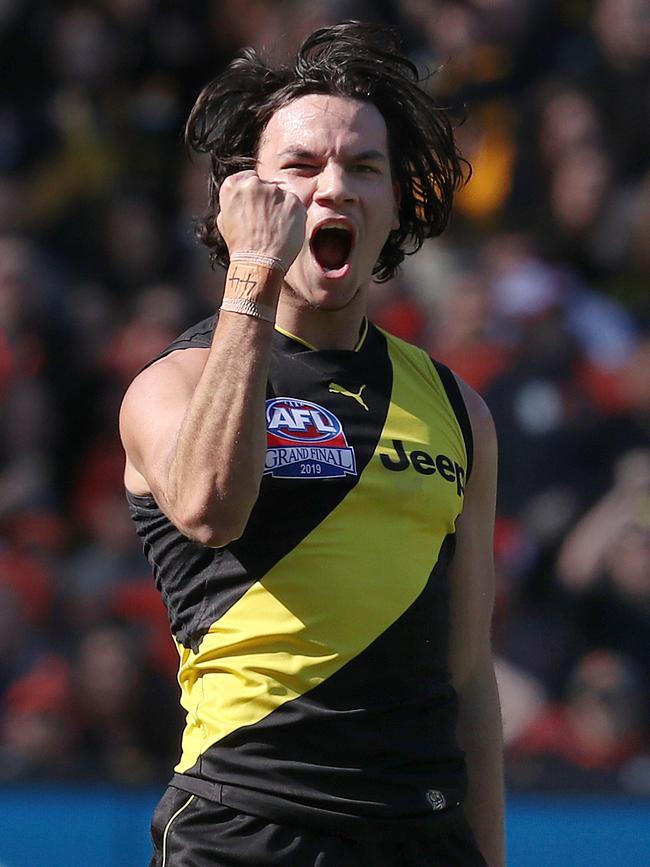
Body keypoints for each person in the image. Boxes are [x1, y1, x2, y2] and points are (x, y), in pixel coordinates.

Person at [119, 21, 504, 867]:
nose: (334, 188)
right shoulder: (173, 383)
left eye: (364, 167)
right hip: (248, 824)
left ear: (397, 201)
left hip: (424, 832)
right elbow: (211, 509)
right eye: (300, 167)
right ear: (241, 198)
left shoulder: (456, 406)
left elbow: (469, 675)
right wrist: (250, 269)